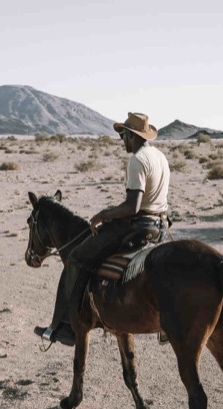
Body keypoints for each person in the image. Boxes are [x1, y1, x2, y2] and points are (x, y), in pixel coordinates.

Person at [34, 112, 171, 346]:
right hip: (160, 227)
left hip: (137, 227)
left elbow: (133, 206)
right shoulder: (160, 157)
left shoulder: (138, 160)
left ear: (131, 135)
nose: (122, 140)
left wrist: (103, 215)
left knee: (76, 259)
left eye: (123, 135)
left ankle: (66, 327)